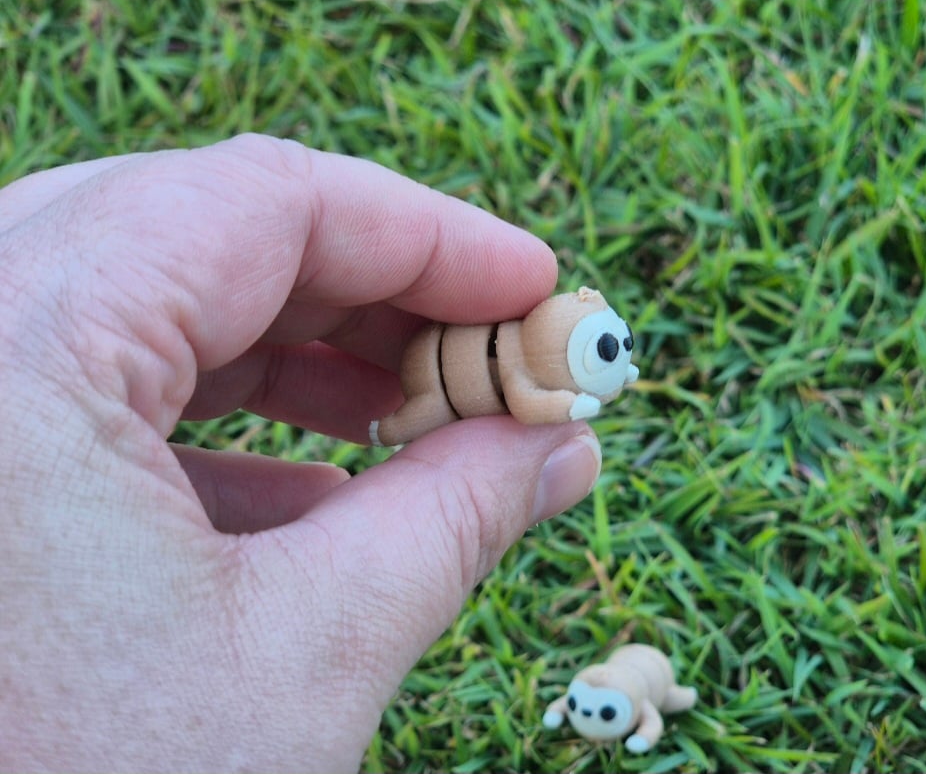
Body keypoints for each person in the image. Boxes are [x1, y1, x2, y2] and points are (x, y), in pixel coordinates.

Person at [0, 134, 603, 770]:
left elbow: (524, 389)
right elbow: (526, 396)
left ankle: (390, 424)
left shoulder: (528, 347)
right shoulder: (520, 361)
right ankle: (389, 426)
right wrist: (568, 407)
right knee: (413, 414)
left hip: (449, 371)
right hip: (440, 376)